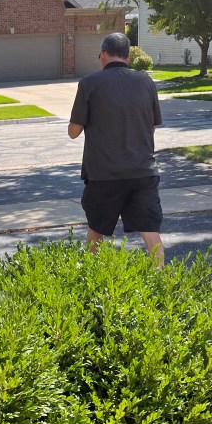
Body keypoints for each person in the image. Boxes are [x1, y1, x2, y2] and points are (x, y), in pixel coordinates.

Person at [68, 31, 164, 265]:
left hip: (104, 174)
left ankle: (90, 275)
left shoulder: (89, 83)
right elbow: (152, 125)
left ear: (102, 55)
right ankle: (161, 279)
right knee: (151, 232)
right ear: (128, 57)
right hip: (143, 171)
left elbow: (73, 131)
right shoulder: (146, 82)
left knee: (96, 231)